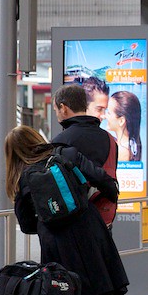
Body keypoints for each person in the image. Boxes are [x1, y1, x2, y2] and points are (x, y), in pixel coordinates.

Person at [5, 125, 132, 295]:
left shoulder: (23, 177)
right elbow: (105, 181)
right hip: (90, 234)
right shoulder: (66, 154)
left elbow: (27, 223)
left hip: (57, 246)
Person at [51, 84, 118, 228]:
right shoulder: (110, 139)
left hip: (73, 224)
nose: (56, 114)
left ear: (63, 108)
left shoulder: (60, 141)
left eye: (56, 110)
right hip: (103, 219)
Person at [107, 90, 142, 161]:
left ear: (121, 121)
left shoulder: (122, 151)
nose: (104, 116)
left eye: (108, 113)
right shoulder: (129, 145)